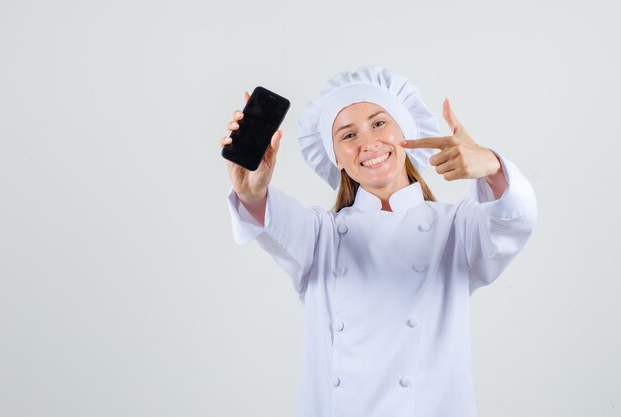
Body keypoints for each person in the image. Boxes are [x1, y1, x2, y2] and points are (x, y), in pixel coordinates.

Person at [219, 65, 537, 417]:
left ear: (406, 131)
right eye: (348, 135)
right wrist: (251, 192)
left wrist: (492, 165)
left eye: (379, 123)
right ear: (336, 158)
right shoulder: (320, 235)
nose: (368, 143)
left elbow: (516, 219)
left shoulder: (456, 229)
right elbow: (269, 219)